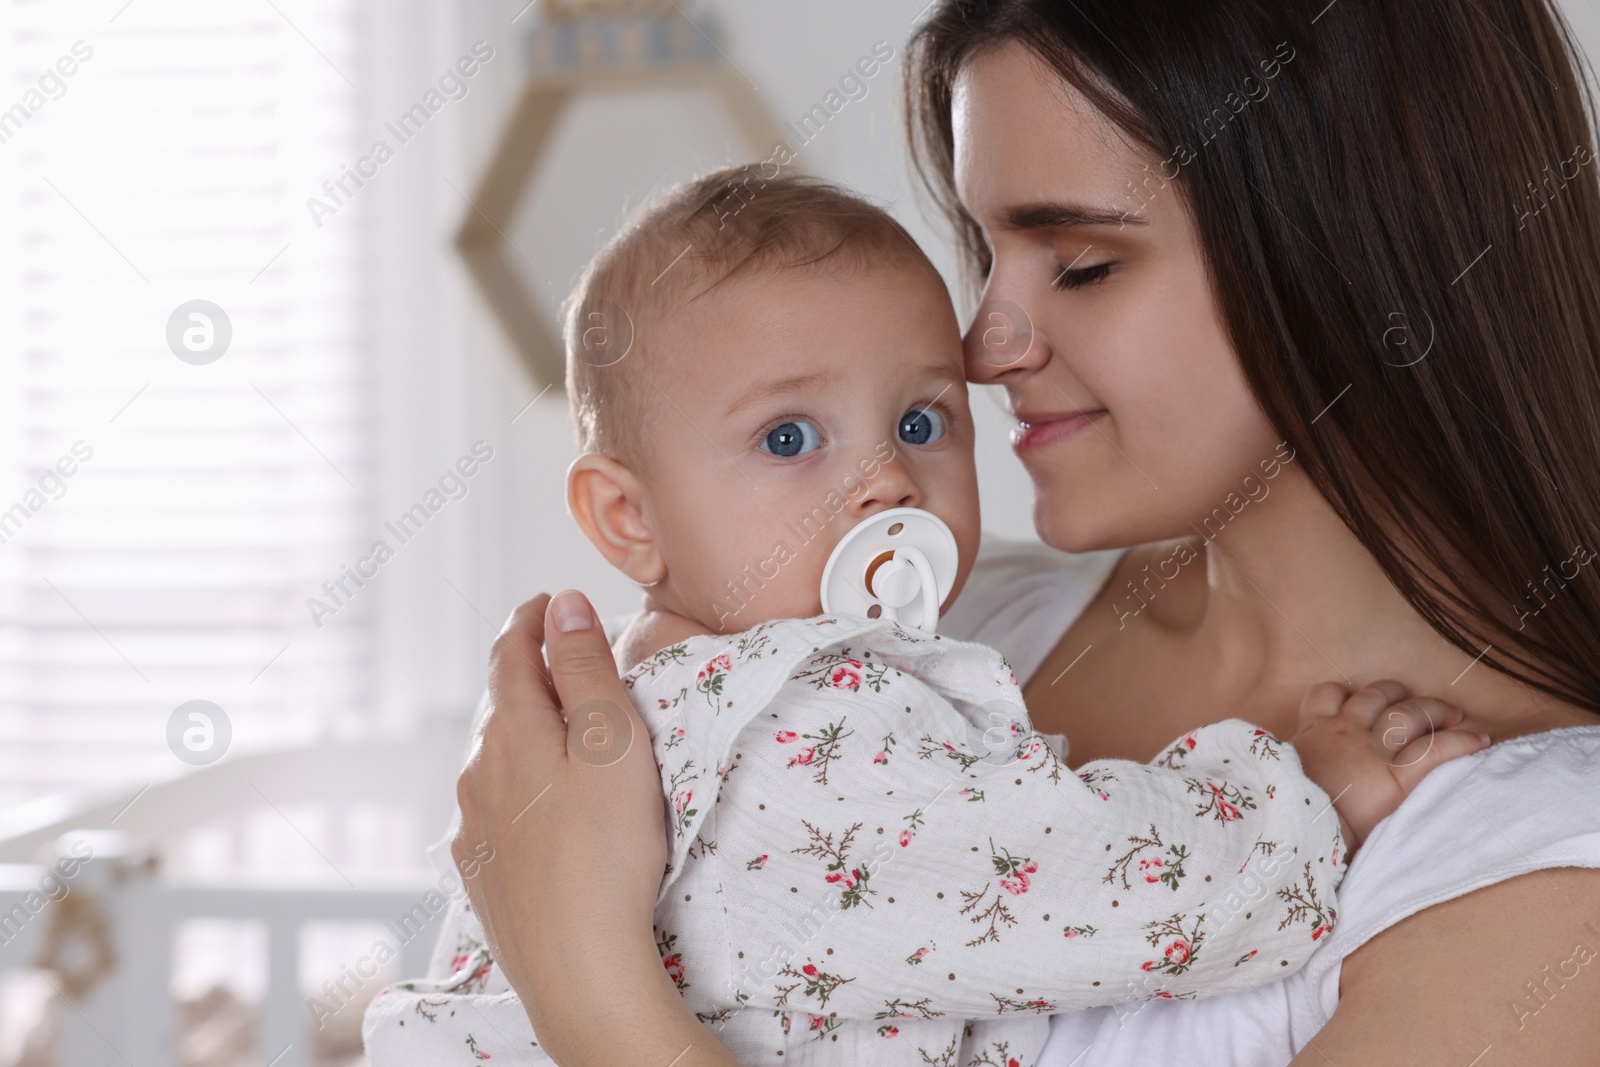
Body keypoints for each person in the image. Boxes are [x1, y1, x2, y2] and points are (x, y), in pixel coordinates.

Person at [446, 0, 1600, 1063]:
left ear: (1354, 253)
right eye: (985, 251)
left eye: (1083, 264)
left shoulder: (1540, 873)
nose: (983, 344)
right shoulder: (949, 623)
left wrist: (588, 982)